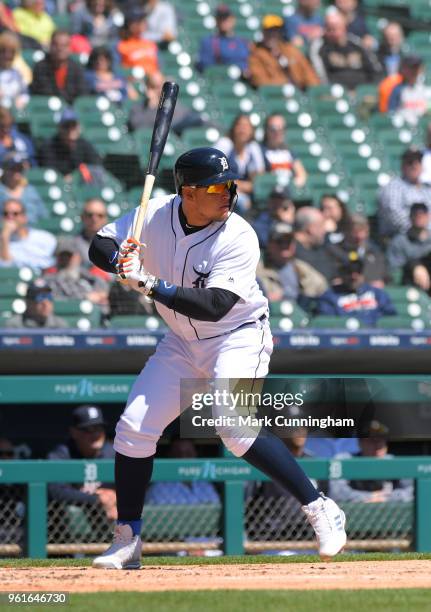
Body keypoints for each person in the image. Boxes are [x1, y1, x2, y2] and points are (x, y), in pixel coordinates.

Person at [88, 146, 347, 569]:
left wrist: (149, 283)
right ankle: (127, 539)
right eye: (216, 187)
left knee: (232, 424)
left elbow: (216, 305)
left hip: (237, 335)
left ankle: (320, 507)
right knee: (133, 428)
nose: (228, 194)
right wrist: (120, 260)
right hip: (180, 342)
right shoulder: (152, 213)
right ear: (188, 192)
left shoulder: (239, 234)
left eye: (231, 185)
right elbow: (99, 244)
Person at [47, 405, 117, 528]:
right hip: (64, 530)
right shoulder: (62, 454)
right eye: (88, 429)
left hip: (106, 521)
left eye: (99, 428)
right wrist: (97, 499)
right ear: (74, 432)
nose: (95, 434)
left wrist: (115, 497)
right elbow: (55, 491)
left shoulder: (113, 453)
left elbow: (137, 484)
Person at [329, 420, 413, 503]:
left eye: (381, 439)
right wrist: (369, 497)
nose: (378, 445)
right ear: (360, 442)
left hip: (389, 512)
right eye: (372, 440)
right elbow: (336, 493)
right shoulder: (346, 459)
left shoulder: (394, 462)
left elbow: (413, 491)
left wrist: (386, 498)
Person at [314, 253, 397, 325]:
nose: (354, 276)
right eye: (349, 271)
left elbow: (390, 318)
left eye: (358, 270)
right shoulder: (330, 296)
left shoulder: (378, 294)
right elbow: (328, 324)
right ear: (341, 273)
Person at [309, 10, 382, 91]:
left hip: (363, 93)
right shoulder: (320, 46)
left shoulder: (357, 43)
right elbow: (321, 76)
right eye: (328, 29)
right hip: (336, 93)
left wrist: (369, 90)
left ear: (344, 28)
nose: (332, 32)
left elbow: (375, 70)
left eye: (335, 28)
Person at [257, 221, 327, 302]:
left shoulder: (301, 268)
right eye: (279, 241)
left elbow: (322, 287)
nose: (284, 245)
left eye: (288, 241)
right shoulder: (258, 270)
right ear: (269, 244)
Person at [248, 14, 320, 89]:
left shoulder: (291, 50)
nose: (272, 34)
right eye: (269, 30)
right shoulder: (256, 54)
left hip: (300, 93)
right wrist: (286, 84)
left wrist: (313, 90)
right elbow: (261, 82)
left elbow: (309, 75)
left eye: (275, 30)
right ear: (263, 32)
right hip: (277, 96)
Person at [215, 114, 266, 213]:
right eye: (239, 125)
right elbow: (215, 175)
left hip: (242, 193)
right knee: (240, 201)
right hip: (221, 190)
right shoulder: (225, 144)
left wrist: (244, 186)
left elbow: (258, 179)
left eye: (247, 126)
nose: (243, 130)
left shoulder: (253, 148)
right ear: (234, 128)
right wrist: (242, 186)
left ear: (252, 131)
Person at [128, 70, 205, 136]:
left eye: (159, 86)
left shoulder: (173, 105)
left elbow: (174, 124)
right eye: (152, 86)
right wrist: (152, 106)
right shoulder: (139, 107)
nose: (157, 90)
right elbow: (136, 125)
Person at [378, 147, 431, 239]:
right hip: (400, 238)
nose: (414, 165)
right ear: (402, 165)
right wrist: (418, 231)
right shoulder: (393, 187)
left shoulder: (427, 189)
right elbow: (395, 218)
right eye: (410, 162)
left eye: (418, 161)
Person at [145, 439, 220, 504]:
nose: (184, 458)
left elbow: (216, 508)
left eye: (188, 454)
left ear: (195, 455)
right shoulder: (159, 488)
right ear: (170, 455)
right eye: (178, 454)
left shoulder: (204, 484)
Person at [44, 235, 109, 306]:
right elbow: (54, 300)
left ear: (78, 257)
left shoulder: (90, 277)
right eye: (62, 256)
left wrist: (103, 295)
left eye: (69, 256)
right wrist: (85, 297)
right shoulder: (49, 280)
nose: (65, 259)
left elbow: (104, 294)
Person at [38, 108, 102, 178]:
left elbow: (96, 166)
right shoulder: (49, 146)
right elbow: (48, 172)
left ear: (79, 127)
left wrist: (77, 177)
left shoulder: (84, 144)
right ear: (59, 128)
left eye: (73, 125)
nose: (70, 130)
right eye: (67, 126)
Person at [30, 30, 88, 104]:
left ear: (70, 48)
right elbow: (44, 92)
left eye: (64, 45)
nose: (60, 49)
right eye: (56, 45)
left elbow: (82, 94)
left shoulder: (76, 68)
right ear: (50, 46)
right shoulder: (40, 68)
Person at [0, 199, 55, 271]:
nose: (10, 217)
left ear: (24, 217)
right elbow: (7, 270)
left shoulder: (45, 238)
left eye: (15, 214)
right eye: (6, 214)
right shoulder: (2, 243)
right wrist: (4, 238)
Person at [387, 203, 431, 292]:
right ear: (410, 217)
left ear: (428, 216)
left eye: (422, 214)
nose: (419, 217)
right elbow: (395, 271)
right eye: (416, 214)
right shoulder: (399, 241)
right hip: (409, 287)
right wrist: (415, 266)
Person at [337, 213, 389, 287]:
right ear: (347, 232)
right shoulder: (336, 251)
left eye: (362, 231)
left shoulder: (376, 253)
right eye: (355, 232)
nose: (359, 236)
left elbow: (386, 277)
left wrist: (382, 282)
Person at [378, 55, 431, 126]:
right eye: (411, 68)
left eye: (417, 67)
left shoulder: (426, 89)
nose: (414, 71)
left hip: (422, 128)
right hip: (404, 128)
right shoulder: (397, 90)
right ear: (404, 69)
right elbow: (391, 113)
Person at [197, 5, 250, 74]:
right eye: (220, 18)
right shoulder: (208, 42)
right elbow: (206, 67)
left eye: (226, 18)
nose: (223, 21)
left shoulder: (243, 42)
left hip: (242, 80)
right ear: (216, 20)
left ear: (233, 19)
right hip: (220, 80)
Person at [261, 113, 307, 188]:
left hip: (288, 193)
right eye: (273, 128)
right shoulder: (259, 151)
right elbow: (260, 177)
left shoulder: (289, 151)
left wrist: (291, 185)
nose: (278, 132)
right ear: (266, 130)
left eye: (282, 128)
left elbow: (301, 174)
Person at [294, 206, 339, 282]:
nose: (324, 231)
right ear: (311, 228)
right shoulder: (291, 251)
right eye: (321, 225)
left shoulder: (319, 247)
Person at [0, 153, 46, 224]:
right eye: (14, 168)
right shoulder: (1, 191)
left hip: (32, 231)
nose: (17, 172)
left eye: (20, 169)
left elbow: (43, 215)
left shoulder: (30, 190)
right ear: (5, 169)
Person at [117, 7, 159, 75]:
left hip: (154, 80)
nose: (143, 23)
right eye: (139, 21)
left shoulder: (150, 44)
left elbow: (159, 67)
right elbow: (119, 70)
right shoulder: (121, 45)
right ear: (130, 25)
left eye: (143, 20)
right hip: (133, 81)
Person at [75, 197, 109, 267]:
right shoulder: (72, 244)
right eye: (90, 215)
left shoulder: (117, 244)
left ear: (106, 219)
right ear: (82, 217)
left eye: (100, 215)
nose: (94, 219)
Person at [0, 31, 29, 109]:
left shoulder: (17, 74)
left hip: (13, 113)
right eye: (3, 51)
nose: (7, 55)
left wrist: (21, 101)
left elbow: (25, 94)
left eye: (11, 52)